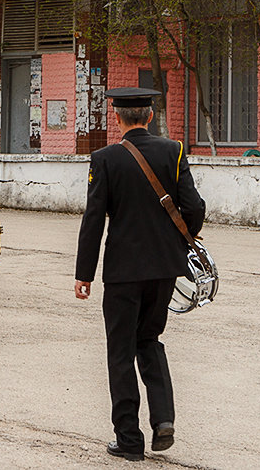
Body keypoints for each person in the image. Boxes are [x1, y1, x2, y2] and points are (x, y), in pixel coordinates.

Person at [75, 87, 206, 462]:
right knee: (149, 339)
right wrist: (184, 238)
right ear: (149, 117)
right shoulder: (173, 150)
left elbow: (93, 219)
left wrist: (84, 272)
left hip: (122, 272)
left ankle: (129, 439)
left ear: (117, 119)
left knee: (120, 351)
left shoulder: (104, 158)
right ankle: (163, 420)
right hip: (164, 268)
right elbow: (193, 206)